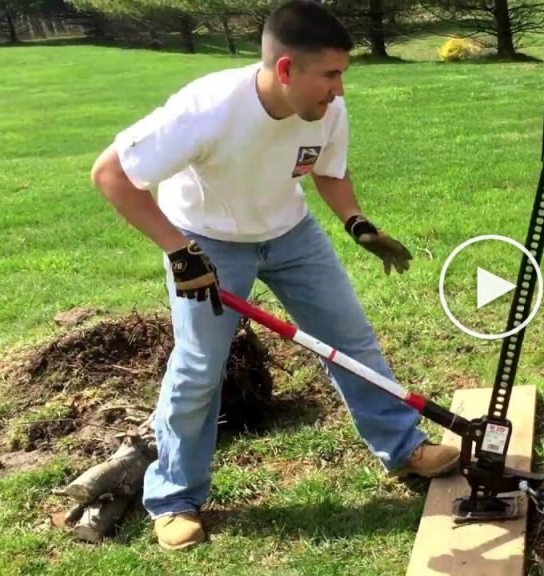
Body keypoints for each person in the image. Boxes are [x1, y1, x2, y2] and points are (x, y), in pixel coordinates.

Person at [89, 0, 459, 551]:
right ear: (286, 70)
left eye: (342, 75)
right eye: (330, 75)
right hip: (208, 241)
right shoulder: (208, 108)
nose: (339, 89)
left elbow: (328, 170)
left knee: (351, 341)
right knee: (198, 369)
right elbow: (112, 174)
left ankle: (403, 449)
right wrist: (179, 252)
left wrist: (357, 223)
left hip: (291, 234)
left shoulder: (325, 108)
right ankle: (174, 499)